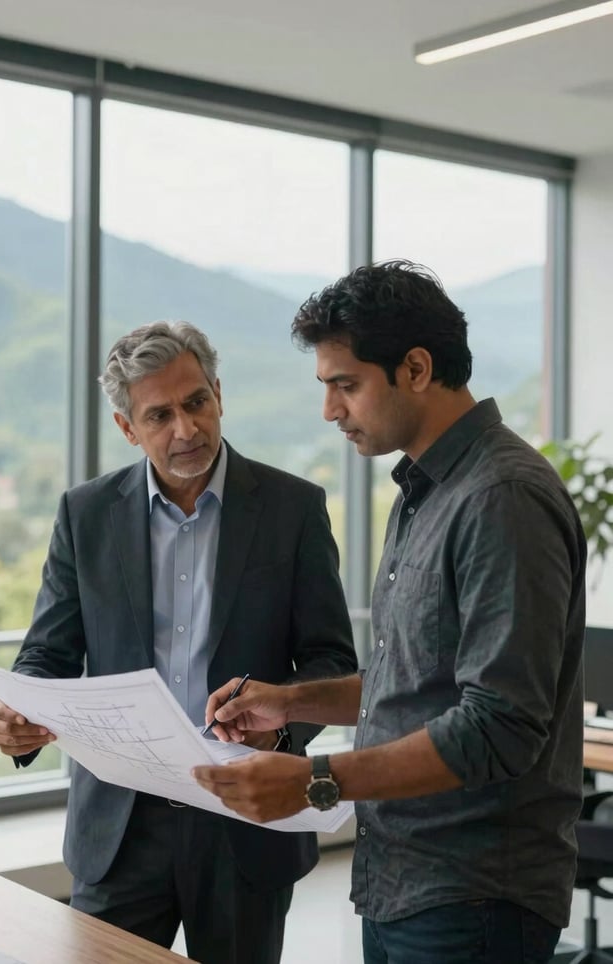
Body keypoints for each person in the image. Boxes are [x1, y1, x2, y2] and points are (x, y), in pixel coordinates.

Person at [193, 261, 587, 964]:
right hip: (406, 881)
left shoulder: (502, 497)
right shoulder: (425, 491)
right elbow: (414, 681)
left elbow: (499, 725)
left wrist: (318, 779)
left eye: (346, 385)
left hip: (474, 894)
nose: (330, 410)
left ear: (415, 368)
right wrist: (290, 702)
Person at [0, 320, 357, 964]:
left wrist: (278, 731)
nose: (185, 430)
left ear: (218, 393)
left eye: (195, 403)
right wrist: (20, 713)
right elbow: (48, 653)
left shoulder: (293, 508)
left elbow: (331, 660)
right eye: (159, 415)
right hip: (121, 828)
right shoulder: (86, 513)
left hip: (244, 815)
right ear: (128, 428)